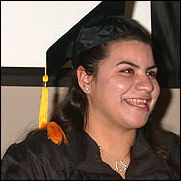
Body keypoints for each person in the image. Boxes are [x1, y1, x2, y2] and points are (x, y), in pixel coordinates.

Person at [1, 14, 180, 180]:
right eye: (127, 71)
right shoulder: (39, 162)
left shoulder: (173, 152)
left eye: (151, 74)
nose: (148, 86)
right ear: (85, 79)